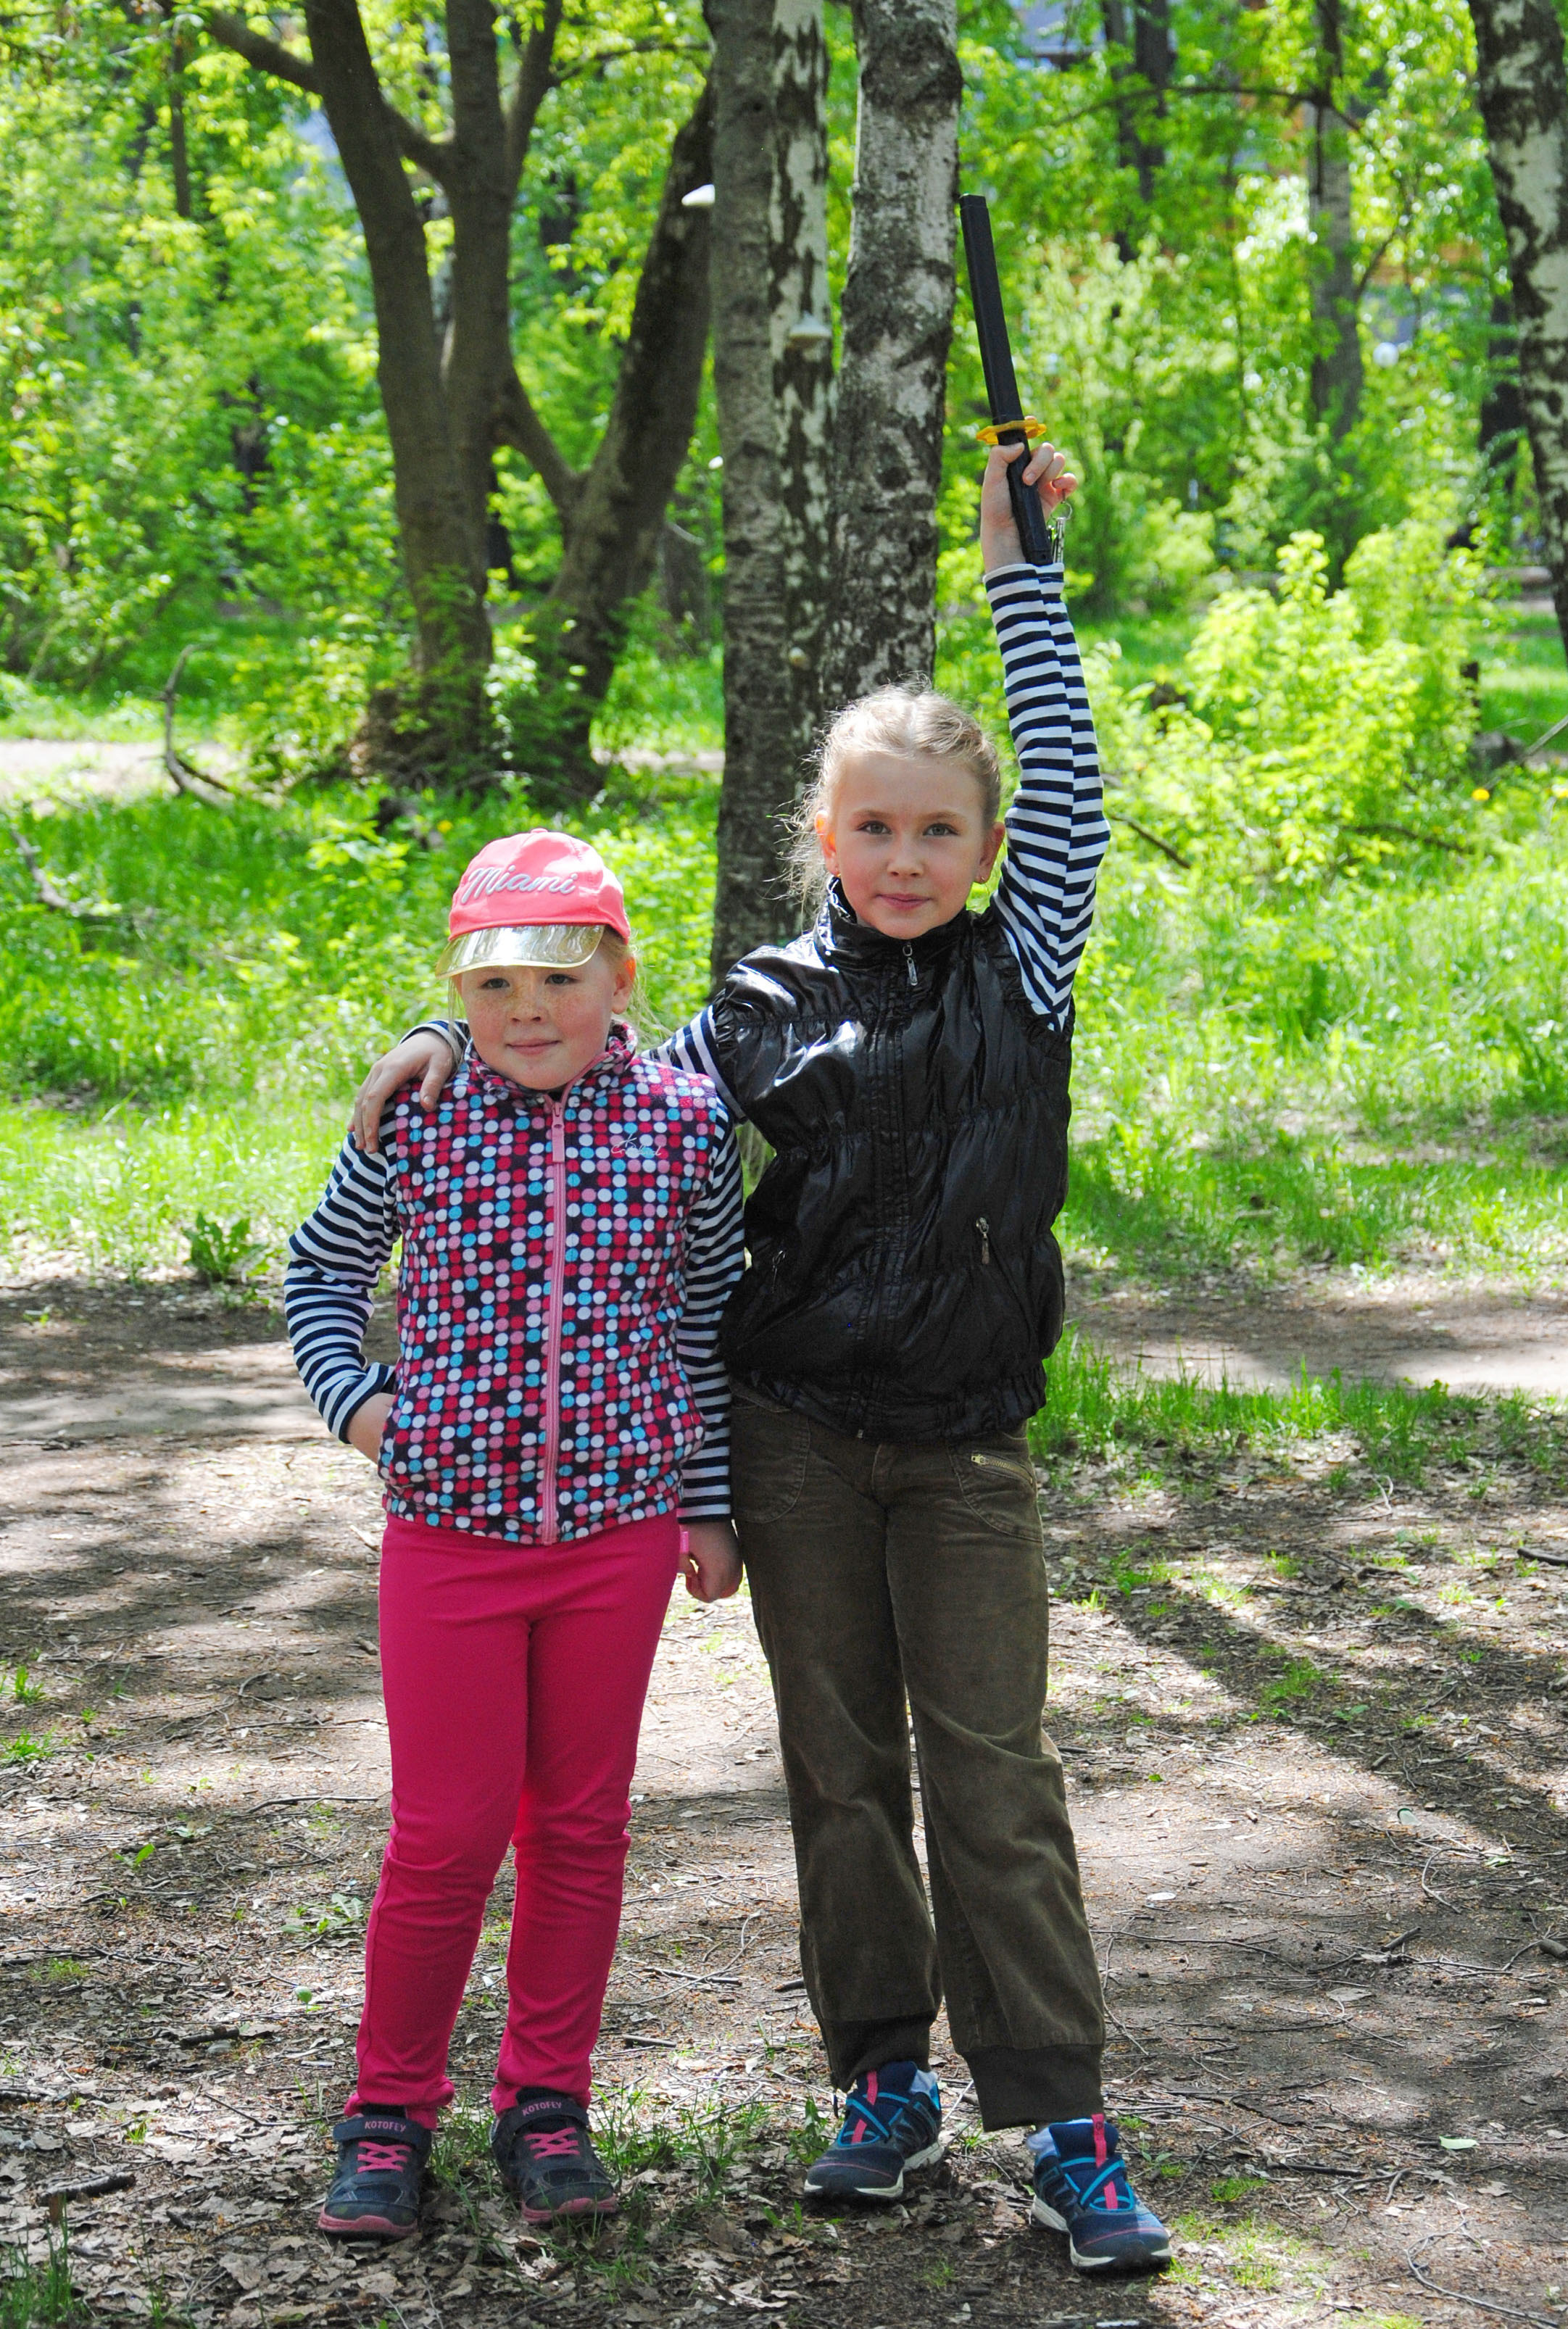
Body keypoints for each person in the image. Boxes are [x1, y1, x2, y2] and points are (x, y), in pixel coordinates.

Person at [350, 445, 1171, 2276]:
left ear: (986, 848)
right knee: (836, 1767)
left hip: (961, 1441)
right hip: (792, 1431)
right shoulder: (756, 1007)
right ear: (822, 837)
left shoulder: (1022, 969)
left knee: (991, 1771)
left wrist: (1012, 570)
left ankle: (1058, 2111)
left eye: (937, 829)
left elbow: (1074, 788)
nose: (902, 857)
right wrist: (438, 1024)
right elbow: (566, 1033)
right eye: (869, 828)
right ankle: (881, 2080)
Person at [284, 829, 742, 2244]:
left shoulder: (680, 1123)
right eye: (492, 982)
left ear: (619, 976)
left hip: (619, 1531)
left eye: (561, 973)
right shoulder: (413, 1117)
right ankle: (387, 2111)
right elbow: (321, 1271)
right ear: (456, 990)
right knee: (446, 1831)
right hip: (450, 1540)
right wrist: (370, 1416)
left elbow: (705, 1318)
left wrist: (710, 1500)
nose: (528, 1008)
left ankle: (546, 2100)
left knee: (581, 1824)